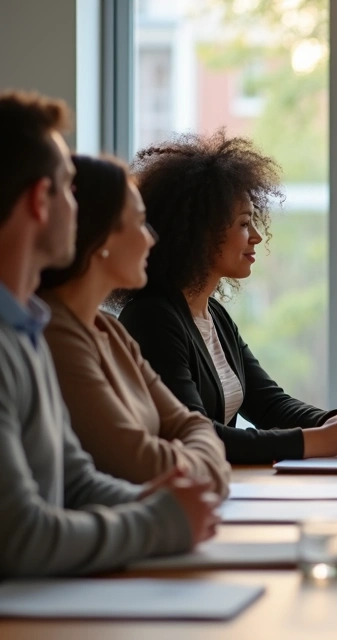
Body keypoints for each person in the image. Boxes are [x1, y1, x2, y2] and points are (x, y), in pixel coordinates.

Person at [0, 90, 216, 576]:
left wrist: (163, 504)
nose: (77, 211)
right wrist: (160, 520)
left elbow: (75, 483)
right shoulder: (29, 337)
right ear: (40, 201)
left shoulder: (24, 330)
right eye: (68, 189)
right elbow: (19, 538)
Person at [115, 131, 337, 464]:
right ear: (197, 232)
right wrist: (323, 440)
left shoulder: (214, 315)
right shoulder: (152, 319)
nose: (256, 236)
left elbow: (269, 405)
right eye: (243, 223)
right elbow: (200, 438)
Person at [39, 154, 231, 495]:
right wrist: (205, 468)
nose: (152, 239)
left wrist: (198, 465)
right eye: (141, 223)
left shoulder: (109, 331)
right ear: (102, 240)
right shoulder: (56, 336)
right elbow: (141, 465)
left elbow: (192, 424)